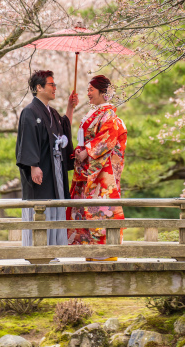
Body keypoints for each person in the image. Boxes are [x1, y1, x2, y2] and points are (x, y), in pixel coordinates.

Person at [16, 70, 78, 246]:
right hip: (41, 169)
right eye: (51, 84)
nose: (55, 88)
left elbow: (64, 129)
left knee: (56, 206)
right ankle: (38, 249)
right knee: (41, 207)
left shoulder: (53, 113)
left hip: (55, 171)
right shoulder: (29, 112)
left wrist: (70, 108)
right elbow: (27, 140)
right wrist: (33, 165)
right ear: (39, 87)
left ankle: (54, 249)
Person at [68, 75, 127, 257]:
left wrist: (87, 152)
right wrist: (79, 151)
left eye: (91, 89)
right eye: (88, 89)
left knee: (102, 207)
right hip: (90, 168)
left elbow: (107, 139)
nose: (88, 93)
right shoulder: (93, 114)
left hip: (103, 170)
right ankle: (90, 250)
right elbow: (84, 138)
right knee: (86, 206)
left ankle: (107, 251)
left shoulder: (109, 115)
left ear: (103, 92)